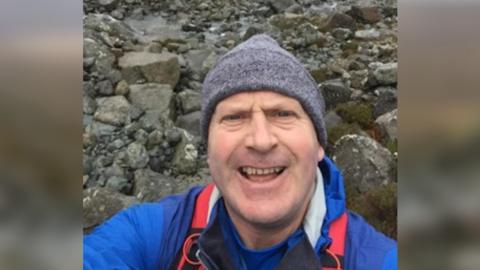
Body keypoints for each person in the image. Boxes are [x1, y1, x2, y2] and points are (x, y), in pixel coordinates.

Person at [84, 34, 397, 270]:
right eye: (234, 117)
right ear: (208, 151)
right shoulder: (152, 234)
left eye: (283, 114)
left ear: (319, 145)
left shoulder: (376, 258)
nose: (261, 140)